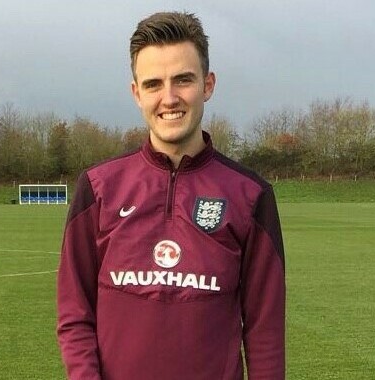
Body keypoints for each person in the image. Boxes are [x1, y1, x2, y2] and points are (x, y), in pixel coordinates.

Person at [57, 11, 285, 380]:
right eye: (153, 84)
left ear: (208, 85)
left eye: (183, 80)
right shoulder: (98, 187)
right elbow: (75, 313)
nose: (169, 98)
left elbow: (265, 332)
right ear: (136, 93)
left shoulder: (250, 195)